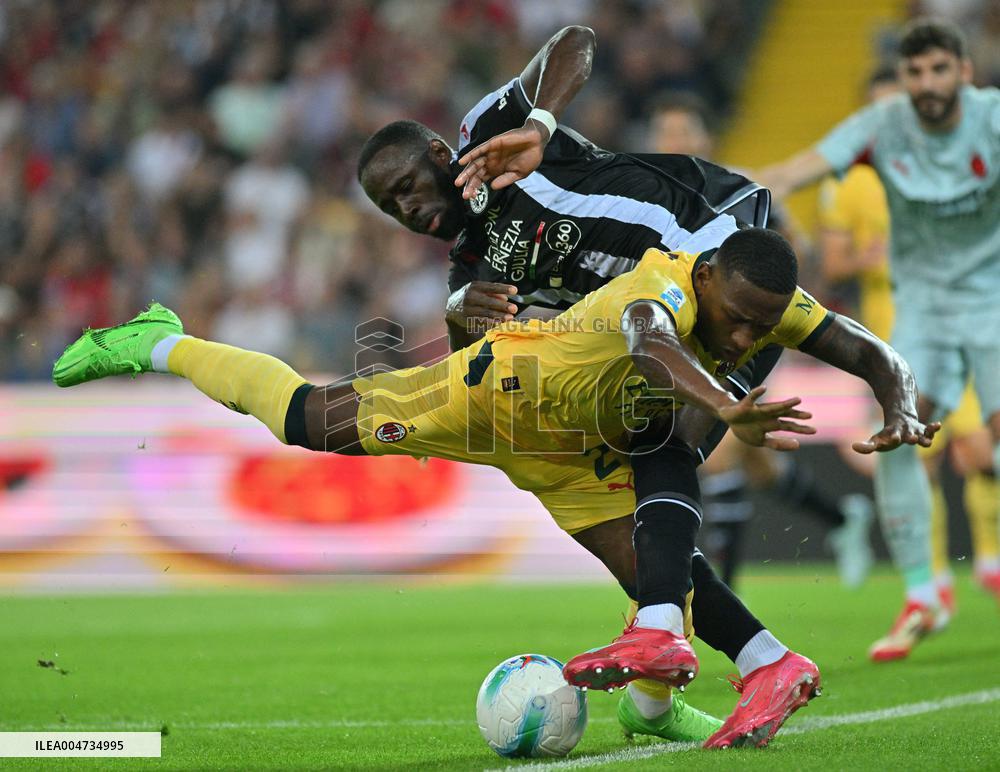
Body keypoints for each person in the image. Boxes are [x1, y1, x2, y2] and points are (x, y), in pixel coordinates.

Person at [53, 227, 938, 749]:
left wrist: (897, 398)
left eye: (759, 323)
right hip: (493, 396)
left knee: (650, 564)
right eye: (736, 317)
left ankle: (768, 664)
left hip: (571, 448)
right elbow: (648, 345)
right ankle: (161, 340)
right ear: (706, 276)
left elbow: (863, 347)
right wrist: (727, 403)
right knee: (309, 420)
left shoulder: (758, 301)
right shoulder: (665, 285)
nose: (747, 334)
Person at [357, 25, 789, 742]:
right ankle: (677, 691)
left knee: (660, 444)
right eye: (389, 207)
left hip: (718, 243)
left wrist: (538, 123)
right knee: (645, 496)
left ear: (440, 155)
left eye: (406, 187)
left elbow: (577, 41)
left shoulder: (487, 135)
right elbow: (480, 372)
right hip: (664, 321)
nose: (406, 210)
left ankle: (733, 656)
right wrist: (457, 313)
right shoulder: (471, 266)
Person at [758, 18, 1000, 661]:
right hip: (919, 310)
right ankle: (924, 589)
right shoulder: (883, 126)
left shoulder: (992, 120)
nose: (926, 84)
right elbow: (796, 168)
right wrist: (720, 188)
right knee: (898, 433)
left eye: (939, 70)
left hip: (992, 303)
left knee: (987, 452)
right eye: (915, 72)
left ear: (965, 73)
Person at [648, 92, 874, 589]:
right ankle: (842, 518)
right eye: (666, 135)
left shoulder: (744, 186)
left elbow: (801, 251)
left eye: (684, 133)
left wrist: (784, 316)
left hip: (744, 337)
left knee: (722, 452)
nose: (675, 143)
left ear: (705, 138)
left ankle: (720, 593)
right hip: (680, 334)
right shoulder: (647, 193)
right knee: (756, 463)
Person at [817, 65, 1000, 617]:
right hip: (893, 338)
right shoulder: (846, 180)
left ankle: (989, 562)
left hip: (957, 324)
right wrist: (865, 258)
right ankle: (934, 583)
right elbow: (831, 263)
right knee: (916, 460)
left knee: (977, 450)